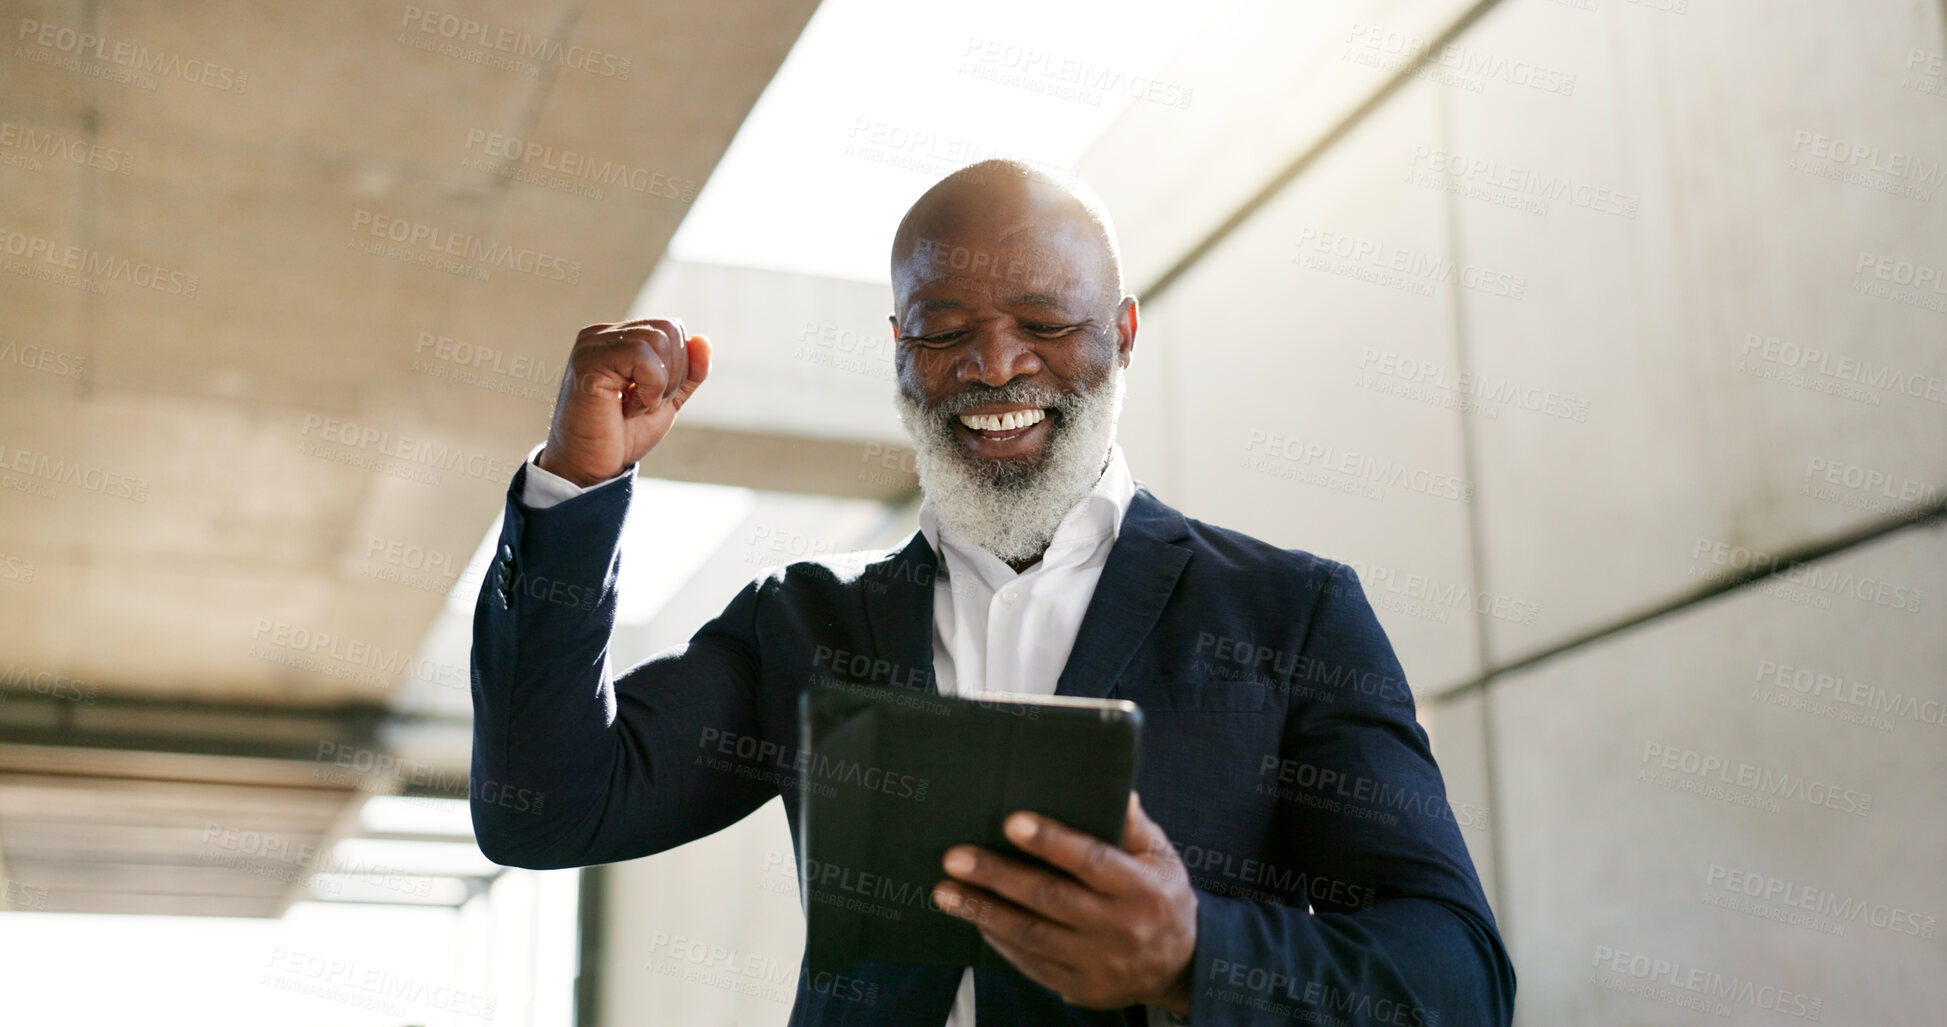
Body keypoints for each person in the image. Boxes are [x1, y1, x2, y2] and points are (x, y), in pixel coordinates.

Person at [469, 158, 1516, 1026]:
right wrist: (577, 486)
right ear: (899, 352)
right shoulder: (803, 624)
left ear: (1125, 334)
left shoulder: (1289, 615)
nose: (992, 362)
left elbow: (1457, 976)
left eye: (1044, 320)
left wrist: (1197, 952)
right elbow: (544, 812)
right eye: (943, 329)